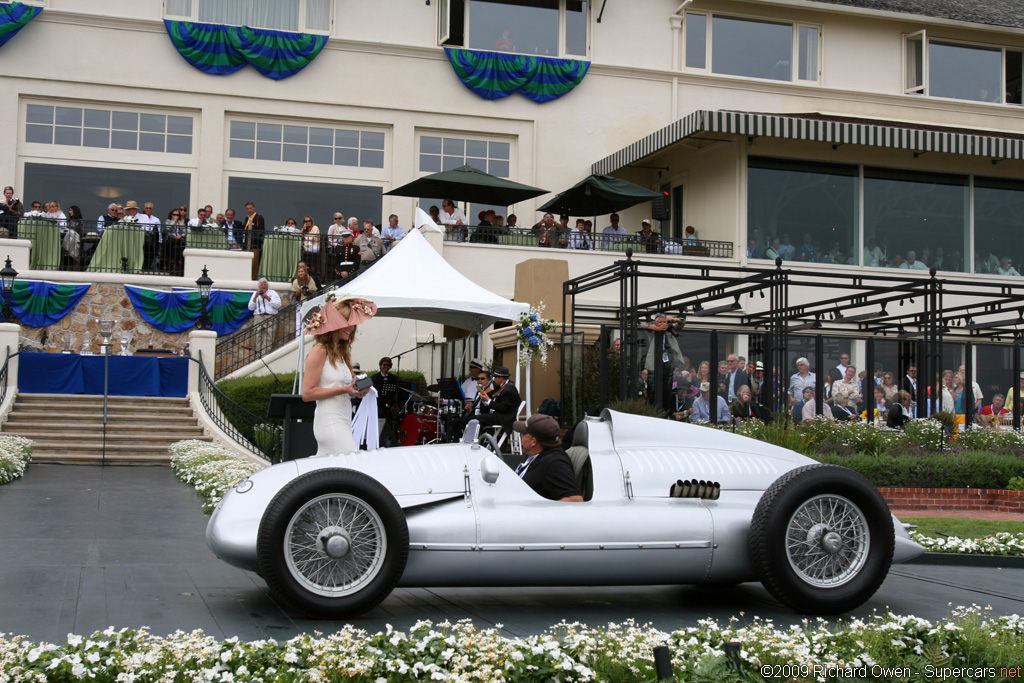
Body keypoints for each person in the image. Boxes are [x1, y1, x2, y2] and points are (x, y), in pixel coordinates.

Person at [301, 296, 377, 455]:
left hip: (344, 419)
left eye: (352, 322)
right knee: (350, 463)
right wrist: (345, 390)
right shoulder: (319, 351)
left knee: (334, 472)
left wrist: (356, 390)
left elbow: (342, 388)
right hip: (329, 420)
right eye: (346, 322)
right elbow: (307, 394)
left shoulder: (342, 353)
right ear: (334, 324)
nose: (351, 327)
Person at [512, 415, 582, 502]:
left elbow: (575, 499)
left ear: (533, 441)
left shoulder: (554, 463)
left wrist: (540, 514)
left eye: (523, 434)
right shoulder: (535, 455)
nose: (521, 438)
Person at [371, 356, 400, 444]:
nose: (386, 367)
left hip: (390, 404)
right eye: (384, 365)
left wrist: (395, 404)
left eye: (388, 365)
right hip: (378, 404)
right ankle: (380, 439)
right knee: (382, 415)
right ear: (380, 366)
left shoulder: (394, 379)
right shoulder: (374, 378)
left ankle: (393, 438)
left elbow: (397, 393)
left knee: (396, 417)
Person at [247, 278, 282, 350]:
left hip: (270, 316)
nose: (263, 286)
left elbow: (278, 305)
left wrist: (268, 298)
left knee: (269, 337)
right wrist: (256, 297)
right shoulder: (255, 294)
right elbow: (250, 307)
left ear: (267, 286)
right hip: (258, 317)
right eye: (261, 285)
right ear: (259, 286)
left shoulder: (273, 293)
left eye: (265, 284)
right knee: (258, 336)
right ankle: (258, 356)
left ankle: (265, 355)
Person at [242, 201, 265, 280]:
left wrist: (253, 237)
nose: (249, 210)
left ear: (254, 208)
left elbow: (261, 231)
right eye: (247, 209)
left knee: (253, 264)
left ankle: (252, 279)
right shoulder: (247, 218)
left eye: (250, 208)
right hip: (246, 245)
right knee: (246, 264)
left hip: (255, 245)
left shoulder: (259, 217)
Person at [137, 201, 163, 269]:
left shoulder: (156, 220)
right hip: (142, 240)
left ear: (152, 210)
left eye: (150, 208)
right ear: (144, 209)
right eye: (147, 208)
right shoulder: (139, 217)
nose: (148, 209)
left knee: (151, 257)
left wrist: (160, 243)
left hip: (152, 242)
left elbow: (159, 232)